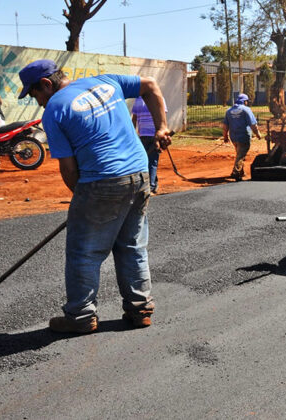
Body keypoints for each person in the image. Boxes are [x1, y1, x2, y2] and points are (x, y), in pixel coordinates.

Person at [18, 59, 171, 334]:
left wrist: (87, 201)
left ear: (45, 84)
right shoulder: (105, 81)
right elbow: (150, 85)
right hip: (139, 173)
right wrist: (162, 126)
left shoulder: (54, 109)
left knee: (83, 252)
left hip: (100, 179)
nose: (37, 101)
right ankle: (140, 309)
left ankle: (81, 316)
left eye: (34, 94)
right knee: (132, 246)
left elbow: (68, 167)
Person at [132, 96, 168, 194]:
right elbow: (163, 118)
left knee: (149, 160)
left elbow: (134, 120)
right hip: (152, 135)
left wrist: (134, 135)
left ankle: (152, 185)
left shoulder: (138, 100)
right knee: (151, 161)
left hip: (147, 135)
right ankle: (152, 185)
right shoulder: (159, 98)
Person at [222, 93, 261, 181]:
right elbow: (253, 125)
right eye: (246, 101)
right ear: (244, 101)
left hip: (234, 137)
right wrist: (258, 134)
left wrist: (225, 137)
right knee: (240, 155)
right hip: (244, 136)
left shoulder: (229, 111)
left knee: (239, 153)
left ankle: (241, 172)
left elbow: (225, 127)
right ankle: (235, 172)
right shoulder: (246, 110)